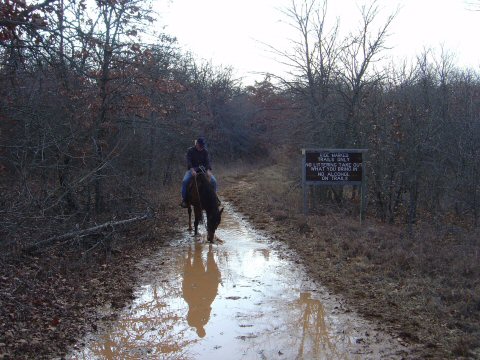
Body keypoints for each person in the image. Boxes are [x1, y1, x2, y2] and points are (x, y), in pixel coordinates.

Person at [180, 137, 218, 208]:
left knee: (214, 181)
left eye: (203, 146)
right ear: (197, 144)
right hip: (192, 170)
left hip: (203, 170)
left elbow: (207, 162)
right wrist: (192, 170)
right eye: (200, 146)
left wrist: (208, 171)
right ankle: (184, 200)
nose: (201, 147)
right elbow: (189, 161)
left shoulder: (205, 151)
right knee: (185, 181)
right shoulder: (190, 150)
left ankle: (214, 198)